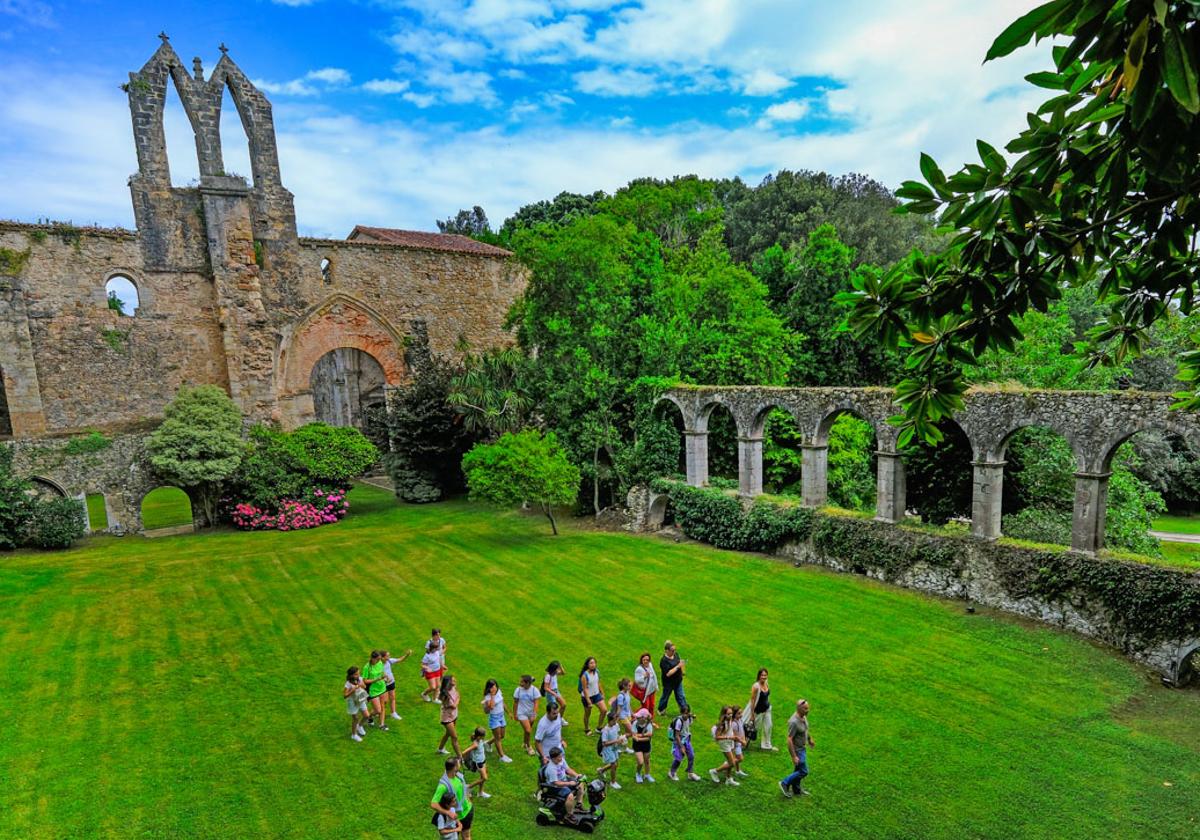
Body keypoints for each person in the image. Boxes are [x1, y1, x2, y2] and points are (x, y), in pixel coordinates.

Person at [431, 756, 474, 840]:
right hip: (456, 817)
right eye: (458, 763)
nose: (460, 763)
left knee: (466, 837)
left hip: (468, 811)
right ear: (454, 767)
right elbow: (433, 804)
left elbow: (463, 788)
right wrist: (448, 812)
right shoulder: (443, 786)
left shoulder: (458, 775)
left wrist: (468, 797)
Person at [779, 698, 814, 798]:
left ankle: (796, 789)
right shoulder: (794, 722)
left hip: (802, 748)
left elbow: (805, 729)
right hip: (798, 750)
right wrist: (794, 756)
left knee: (798, 770)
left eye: (808, 708)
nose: (808, 711)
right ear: (799, 709)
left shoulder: (803, 716)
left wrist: (809, 739)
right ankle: (784, 783)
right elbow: (789, 739)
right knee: (803, 771)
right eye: (805, 709)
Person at [543, 747, 584, 824]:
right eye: (559, 757)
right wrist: (569, 783)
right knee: (570, 796)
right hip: (555, 787)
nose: (561, 757)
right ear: (554, 758)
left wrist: (577, 775)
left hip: (564, 780)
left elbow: (568, 769)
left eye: (561, 755)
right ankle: (569, 816)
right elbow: (556, 783)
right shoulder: (551, 769)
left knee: (580, 783)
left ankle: (579, 805)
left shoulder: (561, 761)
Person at [745, 668, 778, 752]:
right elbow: (752, 701)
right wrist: (752, 715)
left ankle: (766, 745)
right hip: (758, 711)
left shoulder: (766, 683)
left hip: (766, 710)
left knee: (768, 726)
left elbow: (766, 696)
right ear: (759, 676)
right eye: (762, 675)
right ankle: (743, 743)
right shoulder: (756, 686)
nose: (764, 677)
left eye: (765, 675)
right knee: (752, 728)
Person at [668, 703, 701, 781]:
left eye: (687, 713)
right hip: (678, 740)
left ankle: (690, 773)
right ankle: (672, 772)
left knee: (691, 756)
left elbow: (692, 718)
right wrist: (681, 747)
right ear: (681, 713)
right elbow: (676, 735)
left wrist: (692, 716)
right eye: (684, 713)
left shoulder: (689, 718)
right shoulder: (679, 721)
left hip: (686, 739)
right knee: (678, 758)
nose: (685, 715)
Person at [482, 679, 512, 763]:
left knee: (502, 735)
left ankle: (487, 743)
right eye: (491, 687)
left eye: (495, 685)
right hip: (494, 718)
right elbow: (491, 707)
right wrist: (492, 695)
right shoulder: (488, 697)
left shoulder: (499, 691)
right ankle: (502, 756)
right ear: (488, 688)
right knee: (498, 738)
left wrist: (508, 712)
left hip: (501, 716)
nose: (494, 688)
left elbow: (502, 702)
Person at [708, 706, 740, 786]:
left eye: (731, 713)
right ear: (724, 714)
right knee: (732, 763)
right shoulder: (721, 724)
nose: (731, 715)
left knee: (730, 761)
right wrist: (729, 737)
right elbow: (717, 737)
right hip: (725, 743)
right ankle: (714, 771)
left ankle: (728, 779)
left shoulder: (730, 720)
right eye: (728, 714)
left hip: (730, 741)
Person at [512, 674, 542, 756]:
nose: (520, 683)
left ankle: (525, 743)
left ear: (528, 683)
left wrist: (534, 714)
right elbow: (515, 702)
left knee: (527, 731)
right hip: (521, 713)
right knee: (528, 730)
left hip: (531, 713)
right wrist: (515, 714)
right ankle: (529, 747)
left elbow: (536, 703)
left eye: (522, 682)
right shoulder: (518, 690)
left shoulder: (534, 690)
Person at [595, 707, 625, 790]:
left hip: (614, 747)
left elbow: (617, 734)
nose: (617, 720)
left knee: (616, 764)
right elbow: (604, 743)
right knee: (614, 764)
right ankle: (613, 782)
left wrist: (621, 739)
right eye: (615, 719)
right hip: (608, 749)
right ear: (611, 720)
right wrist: (616, 740)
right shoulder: (605, 730)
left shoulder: (616, 725)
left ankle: (601, 770)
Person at [577, 657, 607, 736]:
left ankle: (599, 728)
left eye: (594, 663)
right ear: (587, 665)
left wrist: (602, 693)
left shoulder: (597, 672)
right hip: (587, 697)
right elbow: (585, 689)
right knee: (587, 714)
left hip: (596, 695)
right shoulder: (584, 675)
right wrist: (588, 700)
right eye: (591, 663)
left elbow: (598, 683)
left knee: (604, 710)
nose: (593, 665)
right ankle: (587, 729)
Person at [381, 648, 413, 722]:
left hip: (391, 682)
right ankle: (377, 711)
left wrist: (407, 655)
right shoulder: (379, 665)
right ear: (382, 657)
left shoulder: (389, 661)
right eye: (387, 656)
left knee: (392, 697)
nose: (389, 657)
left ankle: (393, 713)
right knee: (385, 701)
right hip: (383, 685)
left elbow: (400, 659)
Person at [657, 641, 687, 715]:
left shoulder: (676, 655)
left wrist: (683, 671)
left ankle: (684, 711)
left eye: (675, 650)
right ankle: (661, 710)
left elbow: (681, 662)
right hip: (668, 683)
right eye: (672, 650)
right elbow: (668, 673)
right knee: (665, 697)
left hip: (678, 681)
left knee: (681, 696)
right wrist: (677, 667)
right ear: (667, 650)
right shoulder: (664, 661)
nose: (674, 652)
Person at [362, 650, 389, 731]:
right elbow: (365, 681)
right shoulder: (367, 667)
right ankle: (369, 716)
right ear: (372, 658)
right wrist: (376, 679)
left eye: (379, 659)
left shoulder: (380, 663)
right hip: (373, 690)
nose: (379, 661)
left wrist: (386, 677)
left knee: (383, 706)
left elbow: (382, 672)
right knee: (378, 710)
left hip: (382, 688)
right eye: (377, 659)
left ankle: (382, 724)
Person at [462, 726, 492, 799]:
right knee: (484, 778)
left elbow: (473, 735)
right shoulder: (475, 744)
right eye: (483, 736)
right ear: (478, 737)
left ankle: (480, 792)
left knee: (483, 776)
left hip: (483, 760)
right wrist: (462, 759)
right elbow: (464, 752)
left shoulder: (478, 739)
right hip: (478, 763)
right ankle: (468, 787)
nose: (484, 738)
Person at [437, 673, 462, 756]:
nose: (455, 681)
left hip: (454, 715)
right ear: (448, 682)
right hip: (447, 718)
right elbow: (454, 705)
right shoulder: (445, 695)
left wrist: (457, 698)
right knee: (454, 737)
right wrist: (458, 698)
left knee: (448, 734)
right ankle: (460, 757)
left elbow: (457, 696)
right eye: (453, 680)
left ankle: (440, 749)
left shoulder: (453, 688)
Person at [343, 666, 369, 742]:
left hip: (360, 699)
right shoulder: (348, 684)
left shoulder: (360, 679)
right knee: (355, 718)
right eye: (356, 674)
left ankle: (359, 726)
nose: (358, 675)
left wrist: (361, 685)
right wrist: (353, 689)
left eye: (358, 673)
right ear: (351, 675)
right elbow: (345, 695)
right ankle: (354, 735)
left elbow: (364, 686)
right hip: (352, 702)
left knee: (367, 715)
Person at [610, 678, 635, 754]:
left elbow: (628, 704)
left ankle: (623, 747)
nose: (630, 687)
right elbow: (619, 708)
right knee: (631, 732)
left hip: (628, 715)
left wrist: (632, 713)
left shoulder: (627, 693)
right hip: (623, 716)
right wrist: (616, 718)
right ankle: (618, 742)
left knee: (628, 733)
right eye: (629, 686)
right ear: (624, 686)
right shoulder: (621, 696)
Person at [631, 707, 656, 783]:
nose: (637, 718)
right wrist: (640, 736)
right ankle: (638, 774)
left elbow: (648, 738)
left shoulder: (649, 725)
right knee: (640, 762)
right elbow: (633, 735)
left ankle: (647, 774)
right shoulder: (635, 723)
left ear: (644, 718)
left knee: (647, 761)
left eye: (639, 717)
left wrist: (639, 737)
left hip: (646, 745)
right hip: (637, 746)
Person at [632, 653, 658, 718]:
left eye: (647, 660)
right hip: (644, 692)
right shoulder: (639, 669)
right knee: (645, 707)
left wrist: (656, 686)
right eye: (644, 660)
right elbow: (637, 680)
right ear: (641, 660)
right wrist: (644, 676)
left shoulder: (650, 666)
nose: (646, 661)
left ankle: (650, 720)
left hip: (651, 690)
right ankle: (634, 716)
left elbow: (654, 676)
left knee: (652, 706)